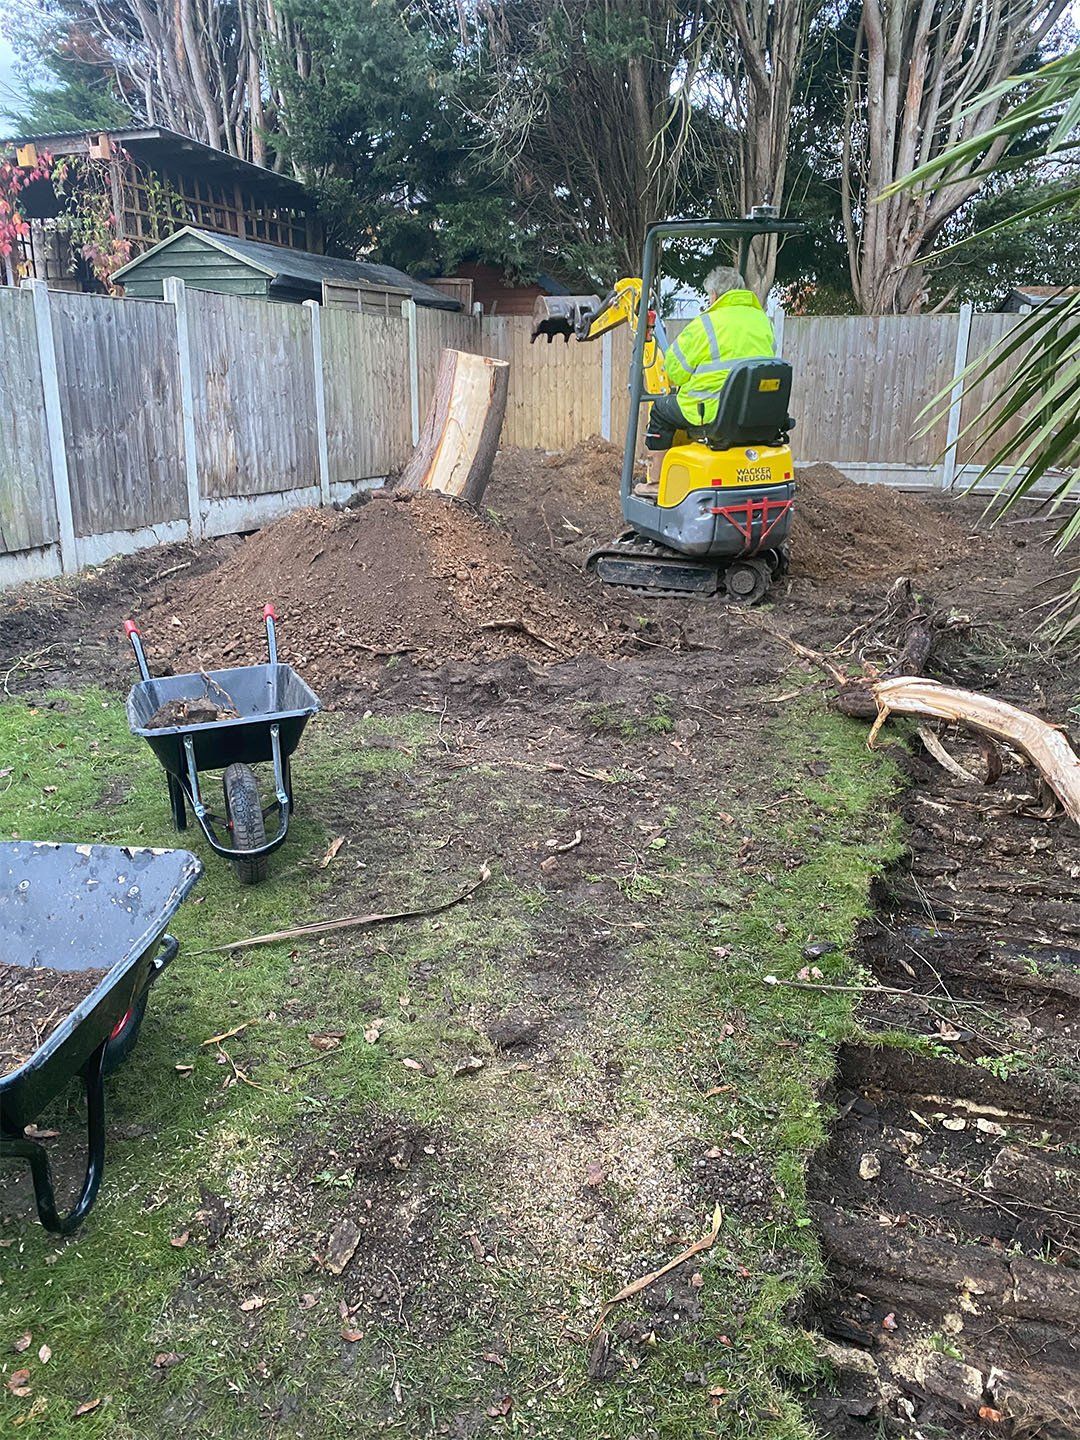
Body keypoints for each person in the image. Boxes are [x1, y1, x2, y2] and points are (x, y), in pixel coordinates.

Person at [641, 266, 775, 488]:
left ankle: (655, 483)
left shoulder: (706, 325)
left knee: (660, 411)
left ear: (714, 295)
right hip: (753, 416)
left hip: (711, 413)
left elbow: (674, 372)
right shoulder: (763, 322)